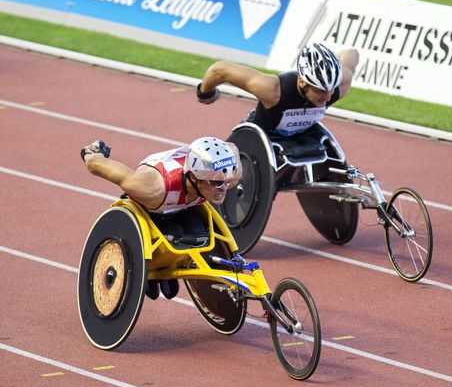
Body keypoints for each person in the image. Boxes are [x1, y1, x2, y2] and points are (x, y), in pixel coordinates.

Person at [81, 137, 242, 300]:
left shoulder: (228, 173)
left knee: (198, 233)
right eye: (216, 183)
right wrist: (93, 154)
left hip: (184, 201)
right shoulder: (152, 188)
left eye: (227, 182)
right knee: (175, 234)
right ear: (193, 178)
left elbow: (232, 147)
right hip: (156, 199)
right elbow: (96, 165)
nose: (224, 189)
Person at [195, 42, 359, 138]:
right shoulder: (273, 90)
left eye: (330, 89)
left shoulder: (339, 86)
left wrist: (330, 65)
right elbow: (220, 70)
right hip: (262, 135)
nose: (327, 96)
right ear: (302, 81)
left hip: (304, 138)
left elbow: (352, 53)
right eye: (320, 90)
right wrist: (205, 93)